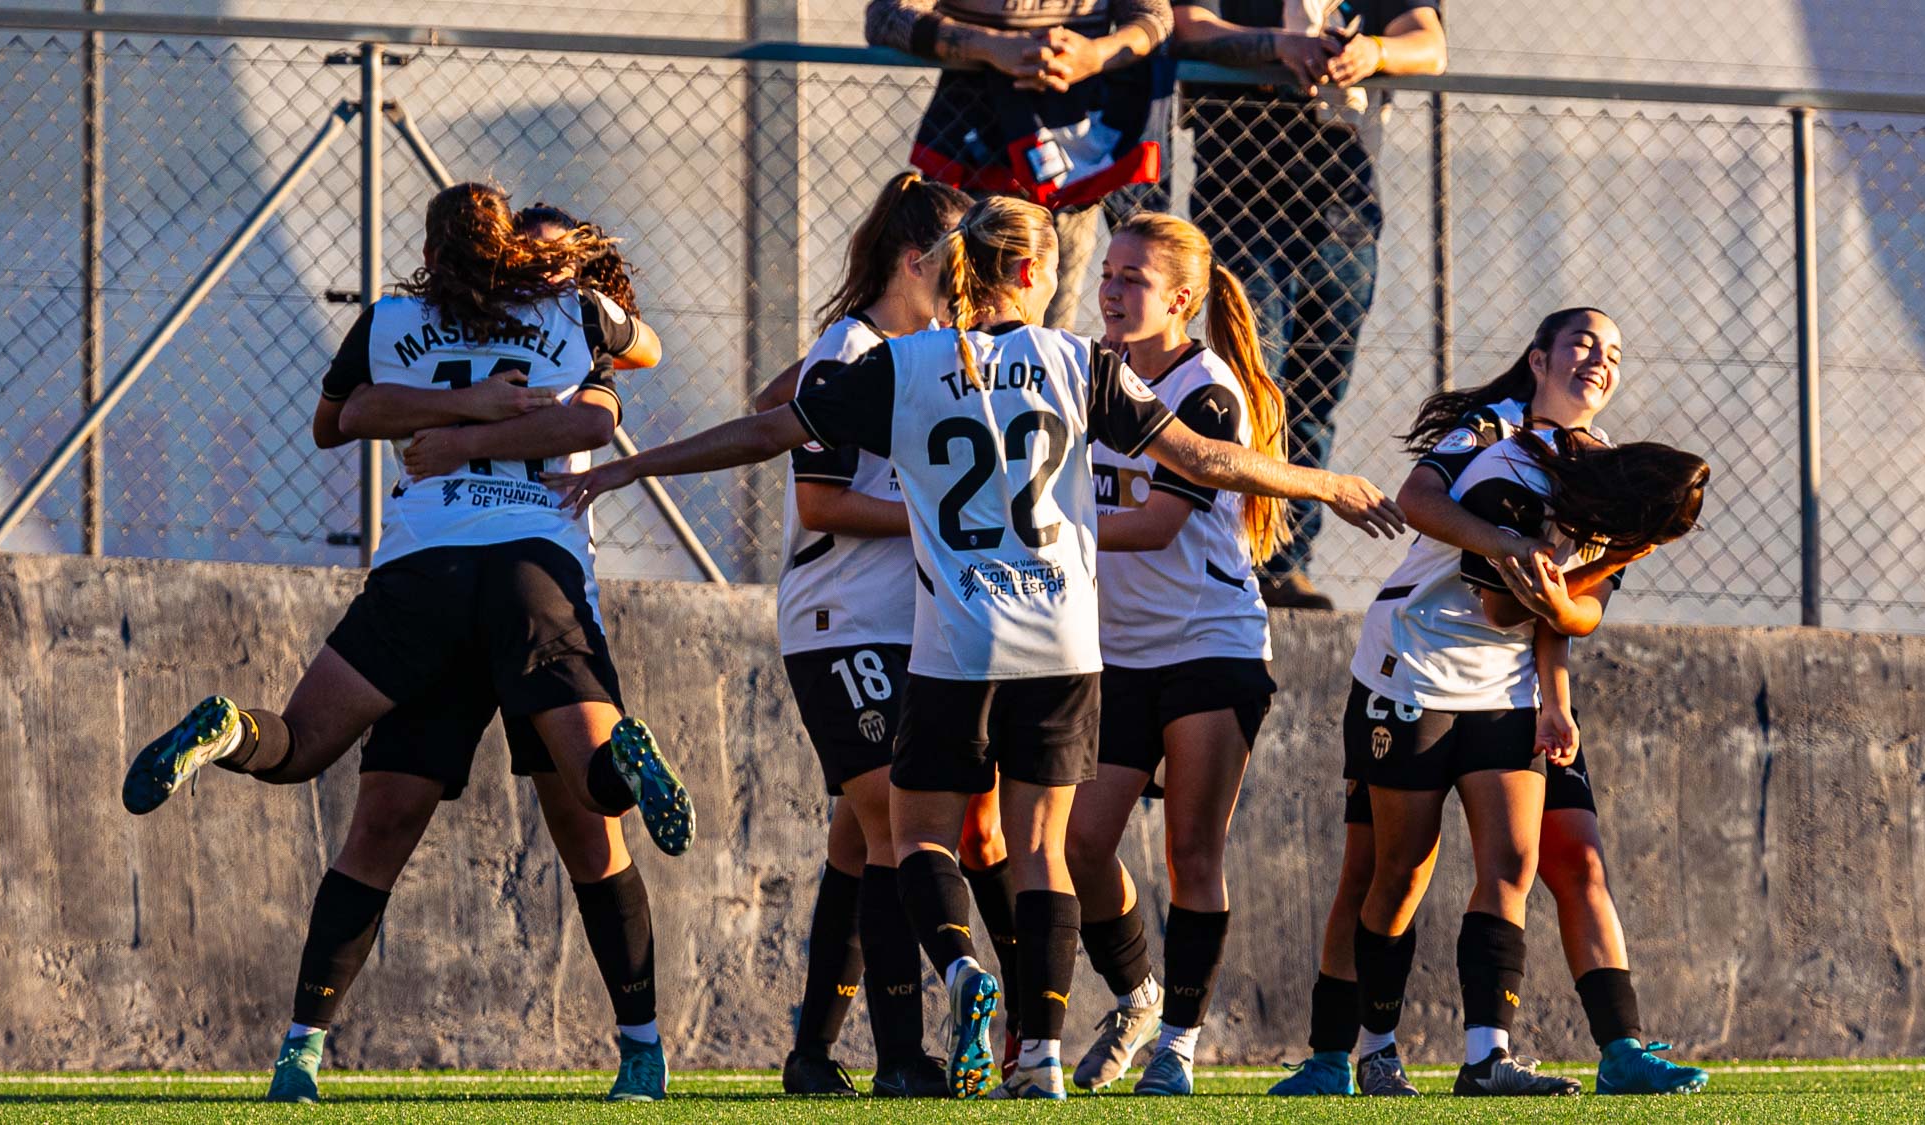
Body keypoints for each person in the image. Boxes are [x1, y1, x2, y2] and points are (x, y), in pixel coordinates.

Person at [545, 195, 1406, 1099]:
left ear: (961, 268)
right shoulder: (1076, 362)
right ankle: (1039, 1058)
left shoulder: (906, 363)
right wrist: (1324, 482)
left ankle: (960, 971)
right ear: (1035, 273)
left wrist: (633, 466)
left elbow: (770, 427)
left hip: (957, 640)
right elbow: (1203, 459)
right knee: (1042, 848)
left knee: (918, 836)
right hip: (1068, 643)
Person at [118, 185, 689, 1103]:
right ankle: (642, 1048)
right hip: (527, 572)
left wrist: (455, 426)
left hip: (421, 572)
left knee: (319, 765)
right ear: (508, 246)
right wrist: (508, 396)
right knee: (592, 810)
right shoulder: (568, 312)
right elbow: (607, 402)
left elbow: (336, 421)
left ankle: (297, 1039)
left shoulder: (392, 319)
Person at [1271, 308, 1711, 1098]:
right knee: (1390, 872)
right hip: (1412, 663)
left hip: (1505, 685)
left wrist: (1557, 691)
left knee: (1517, 859)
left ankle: (1489, 1056)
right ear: (1538, 357)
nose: (1598, 360)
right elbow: (1418, 501)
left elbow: (1565, 611)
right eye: (1582, 343)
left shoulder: (1608, 472)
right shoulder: (1491, 430)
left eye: (1614, 351)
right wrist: (1514, 550)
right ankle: (1356, 1050)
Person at [748, 171, 981, 1098]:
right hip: (840, 622)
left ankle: (812, 1053)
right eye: (960, 269)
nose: (973, 290)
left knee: (857, 838)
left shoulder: (925, 349)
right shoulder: (852, 349)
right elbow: (822, 500)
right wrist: (937, 517)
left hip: (905, 627)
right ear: (917, 260)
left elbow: (780, 400)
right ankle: (899, 1055)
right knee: (893, 823)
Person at [1059, 213, 1286, 1096]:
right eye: (1108, 274)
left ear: (1182, 299)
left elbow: (1154, 527)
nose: (1111, 291)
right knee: (1081, 844)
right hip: (1114, 653)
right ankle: (1137, 992)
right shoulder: (1086, 368)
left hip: (1209, 645)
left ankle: (1181, 1044)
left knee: (1192, 851)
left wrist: (1050, 531)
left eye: (1134, 280)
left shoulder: (1208, 390)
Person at [1171, 0, 1447, 608]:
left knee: (1316, 396)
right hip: (1240, 197)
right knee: (1243, 391)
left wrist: (1371, 52)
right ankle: (1226, 557)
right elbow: (1184, 23)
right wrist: (1278, 44)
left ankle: (1283, 565)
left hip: (1342, 207)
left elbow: (1428, 43)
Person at [863, 0, 1174, 330]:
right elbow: (884, 16)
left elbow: (1156, 19)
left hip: (1071, 160)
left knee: (1049, 320)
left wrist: (1096, 54)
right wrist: (989, 46)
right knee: (957, 314)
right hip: (973, 150)